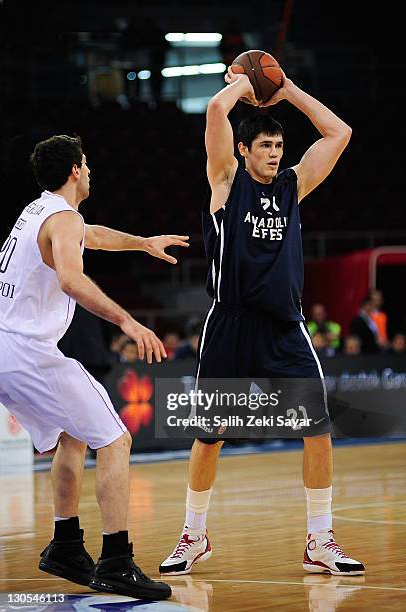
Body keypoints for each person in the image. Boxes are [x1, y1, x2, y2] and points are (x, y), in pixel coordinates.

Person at [160, 66, 364, 576]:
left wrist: (287, 89)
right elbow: (214, 112)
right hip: (230, 323)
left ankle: (320, 540)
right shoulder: (226, 183)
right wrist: (246, 86)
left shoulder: (294, 186)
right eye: (265, 145)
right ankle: (194, 535)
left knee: (317, 430)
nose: (274, 152)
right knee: (210, 435)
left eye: (278, 145)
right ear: (245, 152)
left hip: (283, 325)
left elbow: (340, 133)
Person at [0, 134, 190, 600]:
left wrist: (143, 243)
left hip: (6, 350)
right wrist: (127, 321)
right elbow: (69, 276)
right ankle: (117, 561)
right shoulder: (61, 217)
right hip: (27, 352)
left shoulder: (40, 211)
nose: (90, 170)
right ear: (75, 172)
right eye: (86, 163)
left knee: (74, 435)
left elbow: (93, 235)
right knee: (116, 438)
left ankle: (65, 544)